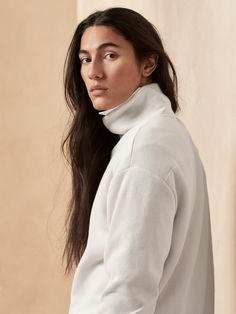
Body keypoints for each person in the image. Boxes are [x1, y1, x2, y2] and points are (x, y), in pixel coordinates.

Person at [62, 7, 214, 314]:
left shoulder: (143, 153)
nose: (93, 72)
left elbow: (128, 295)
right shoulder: (165, 135)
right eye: (85, 59)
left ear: (148, 63)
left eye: (110, 55)